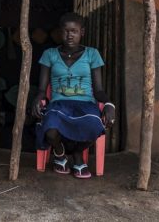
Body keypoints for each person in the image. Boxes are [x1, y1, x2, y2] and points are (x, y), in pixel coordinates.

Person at [32, 12, 115, 179]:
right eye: (65, 31)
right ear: (59, 32)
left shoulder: (92, 54)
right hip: (59, 104)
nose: (69, 35)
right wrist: (36, 98)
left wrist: (108, 104)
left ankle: (77, 155)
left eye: (74, 31)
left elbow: (98, 90)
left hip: (85, 104)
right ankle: (60, 152)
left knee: (95, 126)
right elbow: (42, 88)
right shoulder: (50, 54)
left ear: (81, 32)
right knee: (50, 127)